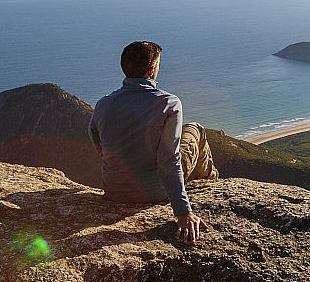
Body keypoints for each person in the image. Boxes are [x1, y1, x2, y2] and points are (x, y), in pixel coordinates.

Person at [88, 41, 218, 243]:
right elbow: (169, 159)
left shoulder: (104, 103)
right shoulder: (168, 103)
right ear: (151, 71)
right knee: (195, 129)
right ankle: (212, 183)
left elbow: (94, 135)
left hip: (114, 190)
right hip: (156, 191)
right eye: (158, 65)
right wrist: (183, 212)